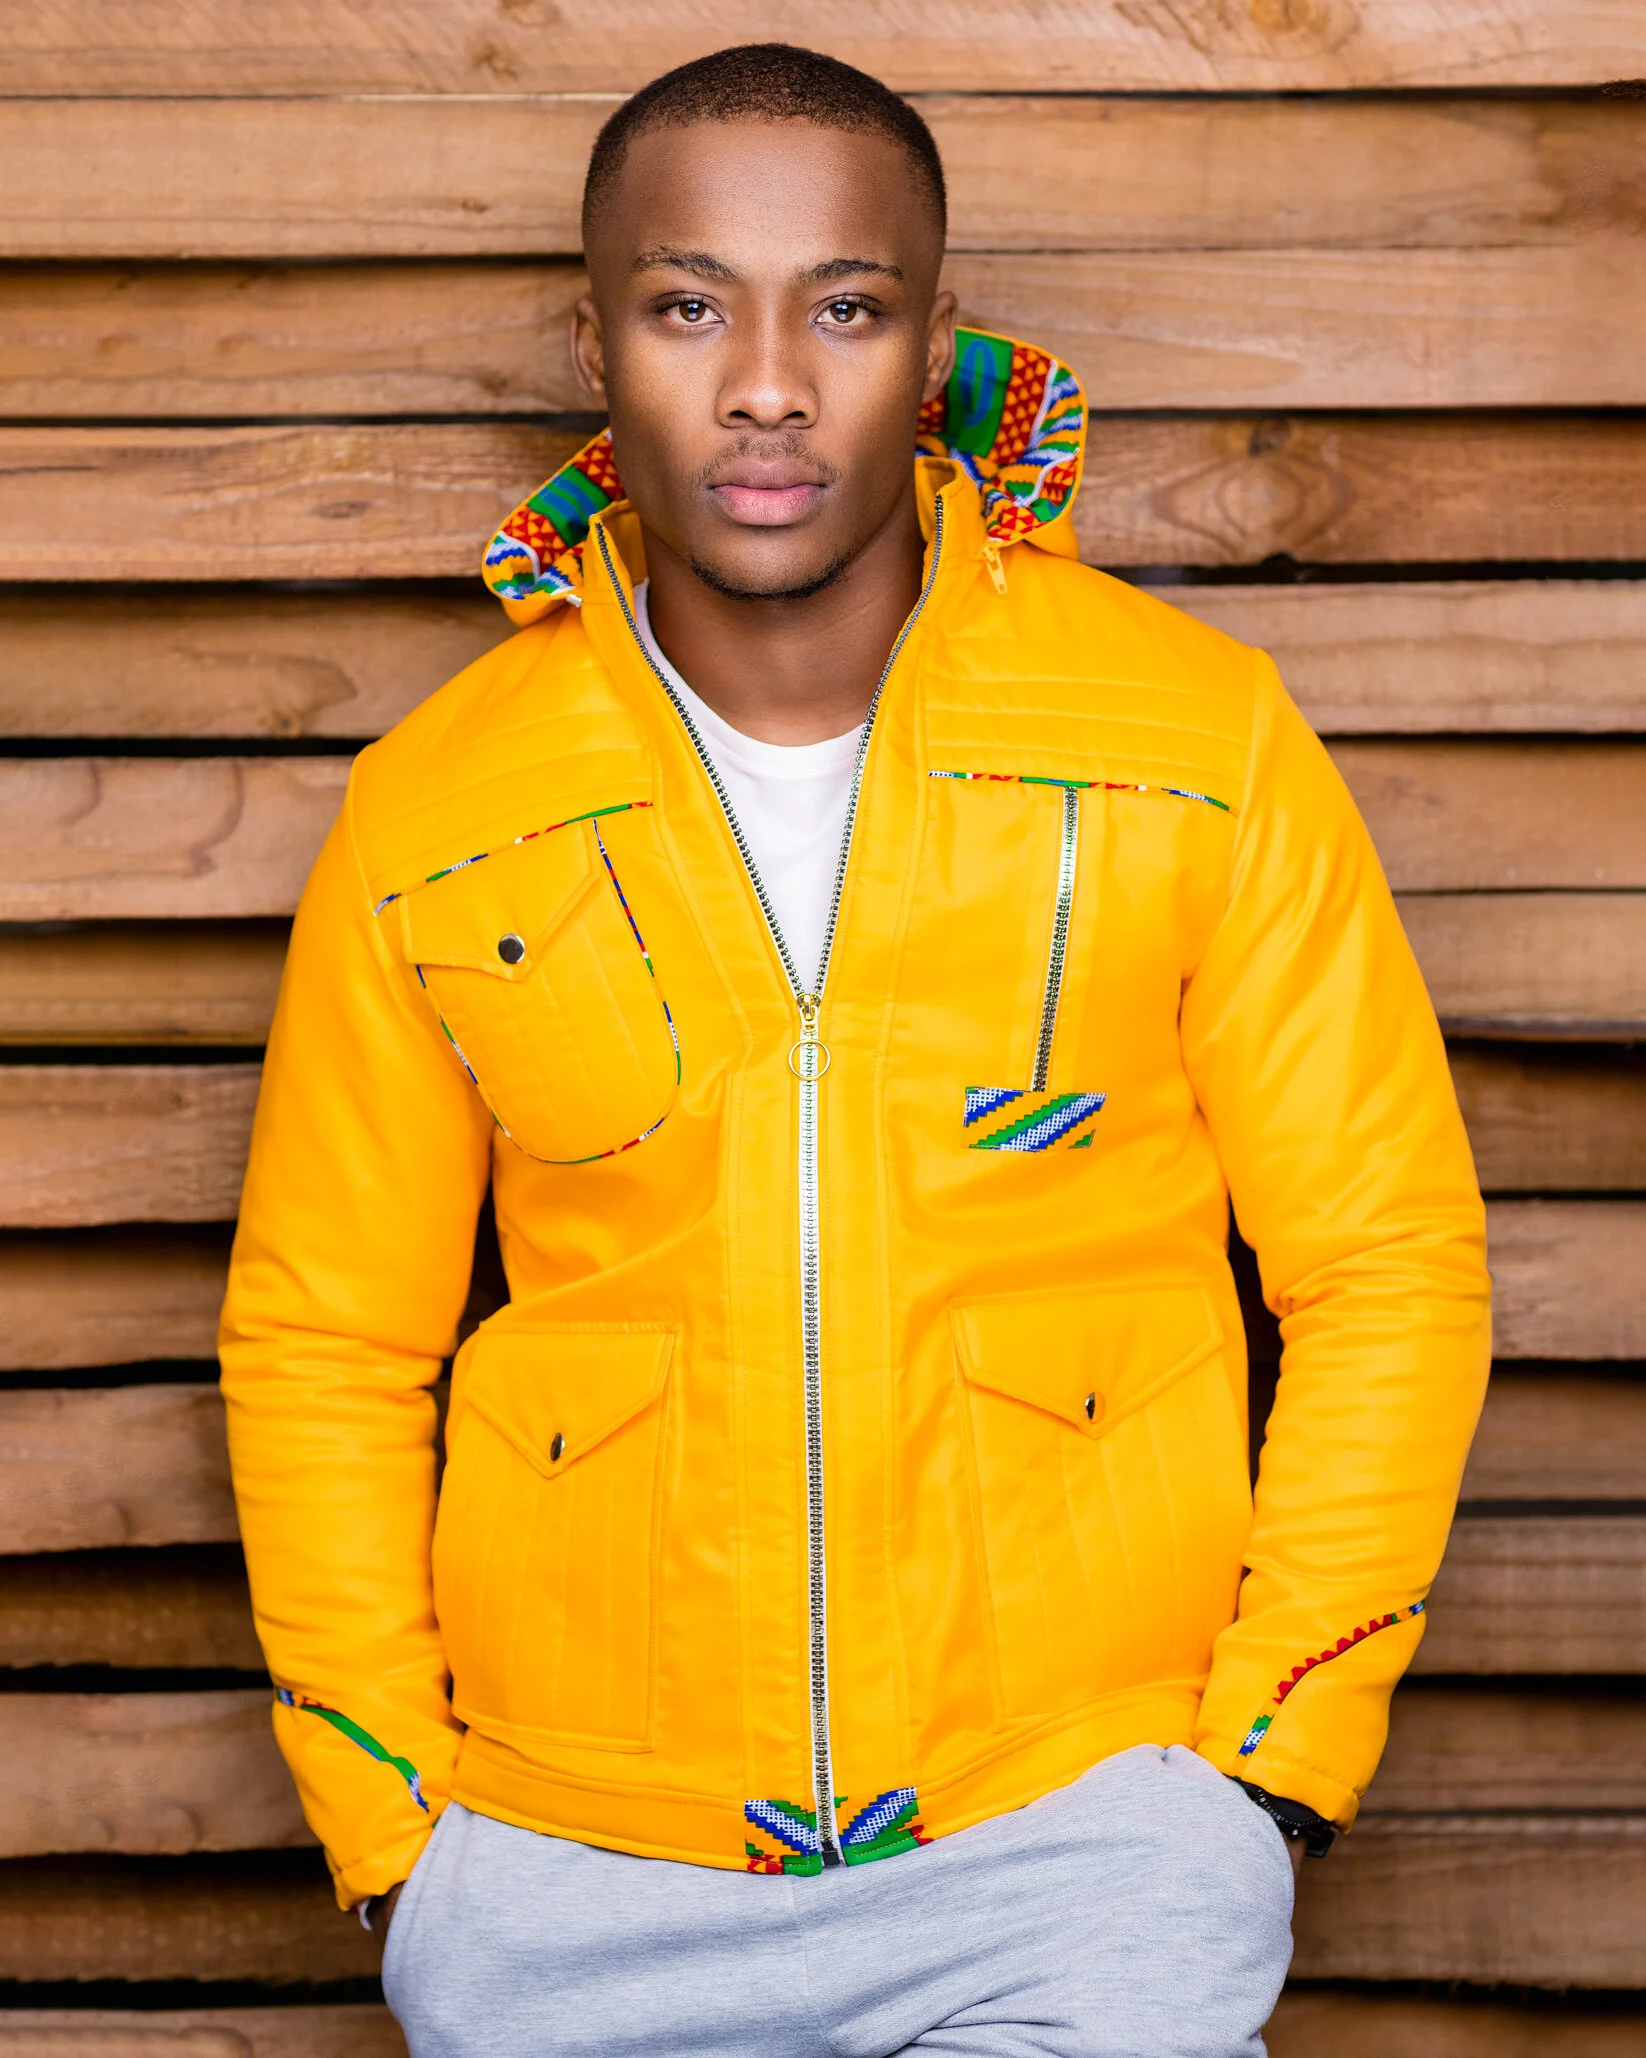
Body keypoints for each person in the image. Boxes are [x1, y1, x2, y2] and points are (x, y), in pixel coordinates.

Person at [219, 43, 1491, 2058]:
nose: (764, 384)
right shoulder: (435, 807)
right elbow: (326, 1341)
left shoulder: (1197, 739)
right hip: (571, 1880)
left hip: (1077, 1851)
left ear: (933, 345)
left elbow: (1385, 1266)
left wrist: (1258, 1772)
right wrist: (402, 1830)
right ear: (596, 344)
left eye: (846, 304)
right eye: (686, 302)